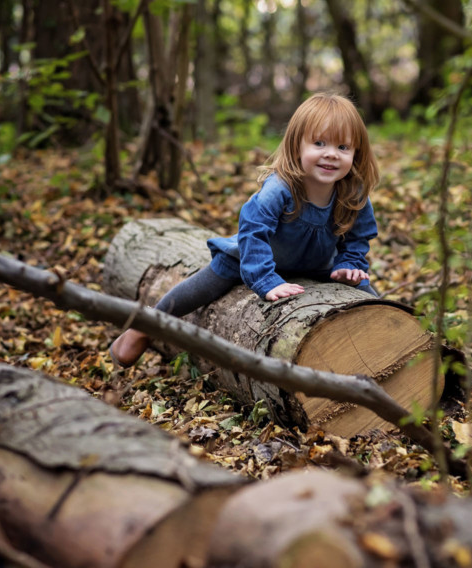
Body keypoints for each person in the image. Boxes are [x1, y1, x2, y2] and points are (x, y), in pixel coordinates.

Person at [109, 92, 380, 368]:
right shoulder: (281, 188)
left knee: (369, 295)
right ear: (296, 145)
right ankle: (145, 325)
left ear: (356, 153)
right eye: (319, 143)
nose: (331, 154)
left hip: (319, 266)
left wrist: (349, 264)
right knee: (204, 286)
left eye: (343, 147)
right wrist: (265, 280)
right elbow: (253, 231)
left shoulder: (353, 192)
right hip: (252, 257)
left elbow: (358, 237)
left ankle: (388, 342)